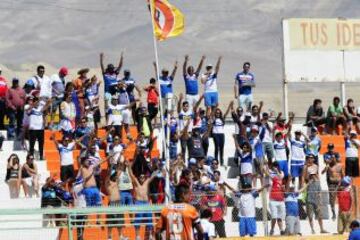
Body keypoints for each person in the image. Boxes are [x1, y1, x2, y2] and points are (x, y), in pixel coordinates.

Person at [129, 166, 159, 240]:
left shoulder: (146, 182)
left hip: (146, 203)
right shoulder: (136, 183)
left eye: (143, 177)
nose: (142, 178)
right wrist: (128, 167)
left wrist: (158, 168)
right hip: (139, 203)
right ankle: (137, 236)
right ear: (139, 178)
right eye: (141, 177)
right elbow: (131, 175)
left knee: (149, 220)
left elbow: (153, 175)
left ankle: (150, 236)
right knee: (137, 220)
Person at [304, 157, 328, 234]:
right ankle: (312, 229)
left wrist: (320, 202)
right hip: (309, 199)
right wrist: (307, 169)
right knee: (310, 216)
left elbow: (319, 193)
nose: (313, 175)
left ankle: (322, 229)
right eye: (312, 175)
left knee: (319, 215)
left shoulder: (318, 182)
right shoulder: (308, 182)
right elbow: (305, 177)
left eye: (314, 174)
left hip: (316, 200)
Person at [322, 143, 343, 220]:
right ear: (327, 148)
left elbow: (338, 161)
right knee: (332, 196)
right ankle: (333, 212)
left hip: (338, 178)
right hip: (330, 178)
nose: (331, 149)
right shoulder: (325, 154)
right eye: (329, 148)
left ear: (333, 147)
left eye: (332, 147)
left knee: (341, 195)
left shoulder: (337, 153)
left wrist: (331, 160)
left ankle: (342, 211)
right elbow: (326, 162)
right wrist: (333, 159)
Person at [210, 102, 231, 167]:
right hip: (215, 134)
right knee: (217, 147)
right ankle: (216, 161)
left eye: (219, 113)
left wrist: (229, 106)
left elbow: (226, 114)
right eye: (217, 113)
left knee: (222, 148)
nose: (218, 114)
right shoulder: (214, 119)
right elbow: (211, 115)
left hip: (221, 134)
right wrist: (215, 107)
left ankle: (221, 162)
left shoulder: (222, 119)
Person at [267, 161, 286, 236]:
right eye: (274, 166)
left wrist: (277, 171)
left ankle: (281, 230)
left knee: (280, 217)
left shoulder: (281, 173)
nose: (275, 167)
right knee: (274, 217)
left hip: (281, 200)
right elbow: (266, 172)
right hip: (273, 200)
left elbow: (280, 177)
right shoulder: (271, 175)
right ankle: (272, 230)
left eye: (276, 166)